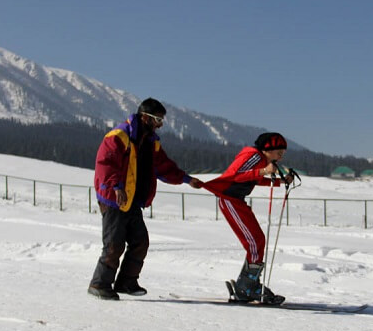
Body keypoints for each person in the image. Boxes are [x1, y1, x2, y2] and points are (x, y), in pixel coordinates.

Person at [88, 98, 203, 300]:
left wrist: (186, 179)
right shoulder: (118, 136)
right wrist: (116, 186)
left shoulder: (151, 142)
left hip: (133, 199)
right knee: (114, 244)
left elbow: (163, 167)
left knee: (140, 241)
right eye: (157, 119)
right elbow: (106, 164)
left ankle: (126, 282)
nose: (159, 124)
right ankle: (100, 284)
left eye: (161, 120)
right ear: (144, 117)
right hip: (114, 198)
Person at [204, 132, 292, 304]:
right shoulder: (254, 156)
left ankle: (248, 285)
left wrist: (279, 181)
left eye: (283, 153)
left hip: (237, 201)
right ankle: (246, 287)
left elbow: (254, 179)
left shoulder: (260, 159)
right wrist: (263, 171)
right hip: (230, 200)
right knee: (254, 242)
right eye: (279, 152)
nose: (281, 157)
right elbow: (236, 175)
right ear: (268, 150)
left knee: (257, 240)